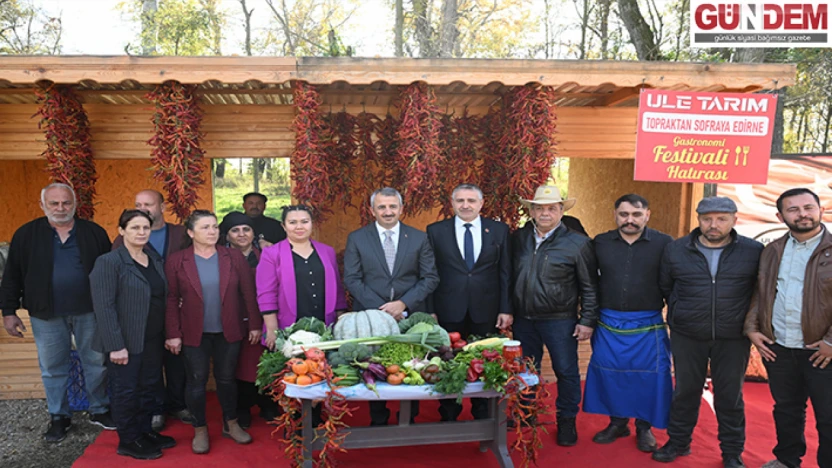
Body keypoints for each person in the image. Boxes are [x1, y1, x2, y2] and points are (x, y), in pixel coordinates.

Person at [0, 183, 115, 442]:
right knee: (53, 367)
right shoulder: (26, 234)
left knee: (96, 362)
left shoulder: (93, 232)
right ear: (43, 205)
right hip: (45, 314)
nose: (61, 208)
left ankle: (99, 409)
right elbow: (12, 275)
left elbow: (110, 272)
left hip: (90, 311)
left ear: (74, 204)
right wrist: (8, 311)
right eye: (54, 203)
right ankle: (59, 416)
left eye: (66, 203)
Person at [653, 197, 763, 468]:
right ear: (698, 219)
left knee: (729, 396)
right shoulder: (676, 249)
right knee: (686, 392)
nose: (714, 225)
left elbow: (760, 291)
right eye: (707, 218)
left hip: (733, 336)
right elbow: (667, 287)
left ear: (734, 220)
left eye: (721, 219)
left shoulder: (753, 251)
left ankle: (731, 452)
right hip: (688, 334)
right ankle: (679, 442)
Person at [744, 188, 832, 468]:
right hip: (780, 347)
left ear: (820, 210)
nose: (803, 214)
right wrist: (752, 327)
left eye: (808, 207)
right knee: (787, 410)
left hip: (822, 351)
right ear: (780, 216)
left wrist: (831, 342)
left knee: (829, 416)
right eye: (793, 209)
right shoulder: (772, 251)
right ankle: (786, 460)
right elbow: (761, 292)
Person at [164, 210, 262, 454]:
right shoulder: (177, 260)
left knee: (227, 379)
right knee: (196, 381)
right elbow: (171, 299)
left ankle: (231, 423)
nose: (212, 231)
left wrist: (254, 324)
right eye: (205, 227)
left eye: (214, 227)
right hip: (192, 332)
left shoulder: (232, 257)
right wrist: (173, 333)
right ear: (190, 232)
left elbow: (248, 293)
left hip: (228, 329)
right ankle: (200, 428)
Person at [583, 194, 673, 453]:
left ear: (647, 214)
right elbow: (588, 284)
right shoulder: (599, 243)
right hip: (608, 322)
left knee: (650, 378)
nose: (630, 220)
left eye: (636, 214)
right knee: (610, 375)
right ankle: (618, 423)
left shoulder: (665, 243)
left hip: (649, 323)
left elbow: (672, 284)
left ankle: (644, 427)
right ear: (615, 215)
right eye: (624, 215)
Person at [510, 184, 598, 446]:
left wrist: (587, 320)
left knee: (566, 370)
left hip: (560, 319)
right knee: (527, 369)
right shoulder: (519, 239)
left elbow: (590, 286)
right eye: (539, 208)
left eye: (551, 208)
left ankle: (567, 420)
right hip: (524, 318)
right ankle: (526, 412)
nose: (545, 213)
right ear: (531, 211)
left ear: (561, 210)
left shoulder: (578, 243)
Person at [343, 187, 439, 426]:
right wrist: (383, 311)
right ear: (371, 210)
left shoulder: (419, 238)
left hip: (411, 313)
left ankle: (409, 418)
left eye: (392, 206)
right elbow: (352, 279)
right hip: (371, 317)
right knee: (375, 364)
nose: (387, 211)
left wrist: (403, 304)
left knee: (412, 364)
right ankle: (378, 417)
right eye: (382, 207)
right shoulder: (357, 238)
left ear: (401, 209)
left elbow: (430, 278)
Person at [90, 210, 176, 460]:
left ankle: (145, 431)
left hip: (151, 338)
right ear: (121, 231)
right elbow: (104, 307)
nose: (141, 233)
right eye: (134, 228)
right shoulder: (109, 262)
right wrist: (116, 345)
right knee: (125, 389)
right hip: (124, 341)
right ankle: (128, 439)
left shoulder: (153, 257)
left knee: (148, 386)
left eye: (145, 228)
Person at [426, 183, 512, 421]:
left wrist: (506, 308)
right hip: (448, 308)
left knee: (484, 361)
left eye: (471, 201)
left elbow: (505, 272)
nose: (466, 205)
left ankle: (482, 414)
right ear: (452, 203)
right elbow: (430, 274)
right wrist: (430, 310)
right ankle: (449, 414)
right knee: (448, 361)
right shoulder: (436, 231)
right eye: (460, 201)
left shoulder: (499, 230)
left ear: (481, 204)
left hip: (486, 309)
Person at [113, 189, 192, 431]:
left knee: (178, 361)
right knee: (151, 365)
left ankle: (178, 404)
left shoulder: (180, 234)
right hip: (142, 314)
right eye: (138, 204)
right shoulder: (122, 240)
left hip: (177, 309)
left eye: (149, 204)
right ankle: (156, 409)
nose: (143, 208)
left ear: (163, 207)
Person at [219, 211, 280, 428]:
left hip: (265, 317)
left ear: (254, 233)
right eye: (235, 231)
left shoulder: (268, 254)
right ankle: (242, 408)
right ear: (227, 236)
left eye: (246, 229)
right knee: (237, 365)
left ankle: (268, 404)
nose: (241, 234)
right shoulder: (220, 258)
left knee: (266, 362)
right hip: (233, 318)